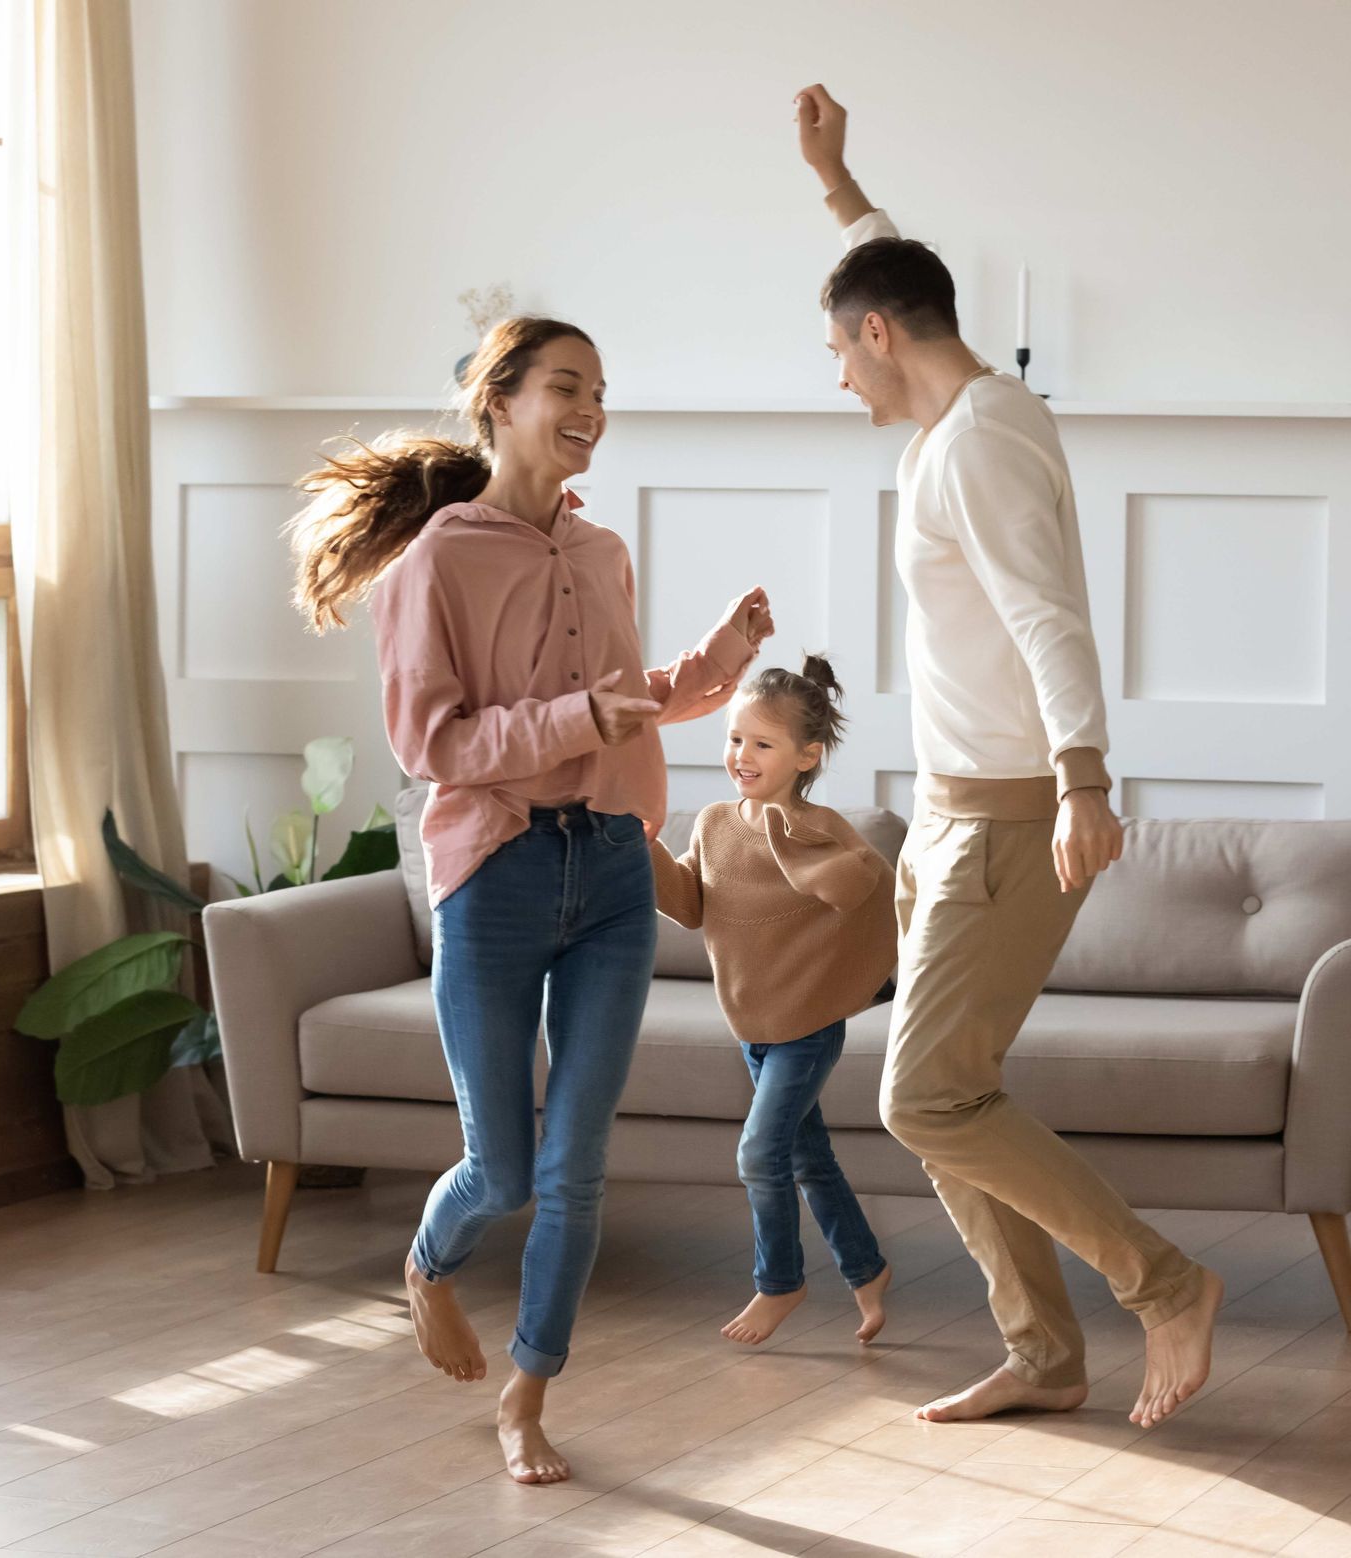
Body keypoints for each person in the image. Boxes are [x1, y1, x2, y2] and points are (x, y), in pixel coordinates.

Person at [792, 85, 1223, 1430]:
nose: (836, 373)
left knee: (924, 1090)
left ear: (876, 336)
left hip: (1007, 823)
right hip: (948, 820)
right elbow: (895, 268)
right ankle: (1041, 1352)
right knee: (944, 1095)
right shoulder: (972, 409)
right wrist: (838, 182)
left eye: (838, 350)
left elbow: (1049, 619)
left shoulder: (975, 445)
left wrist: (1087, 779)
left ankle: (1163, 1284)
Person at [288, 316, 774, 1483]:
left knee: (575, 1169)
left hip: (608, 869)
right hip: (494, 879)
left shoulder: (602, 554)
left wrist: (709, 667)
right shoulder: (437, 562)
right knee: (499, 1169)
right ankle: (427, 1263)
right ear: (497, 400)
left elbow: (618, 699)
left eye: (602, 389)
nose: (591, 406)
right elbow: (430, 742)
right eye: (567, 385)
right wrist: (575, 721)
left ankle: (528, 1395)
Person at [650, 656, 897, 1348]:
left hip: (807, 1027)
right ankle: (868, 1270)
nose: (741, 756)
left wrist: (788, 840)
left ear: (806, 756)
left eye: (762, 744)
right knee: (806, 1158)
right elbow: (691, 905)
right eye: (735, 739)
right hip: (750, 1023)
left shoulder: (822, 828)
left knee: (760, 1154)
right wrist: (644, 855)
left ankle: (778, 1281)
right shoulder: (714, 822)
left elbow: (855, 888)